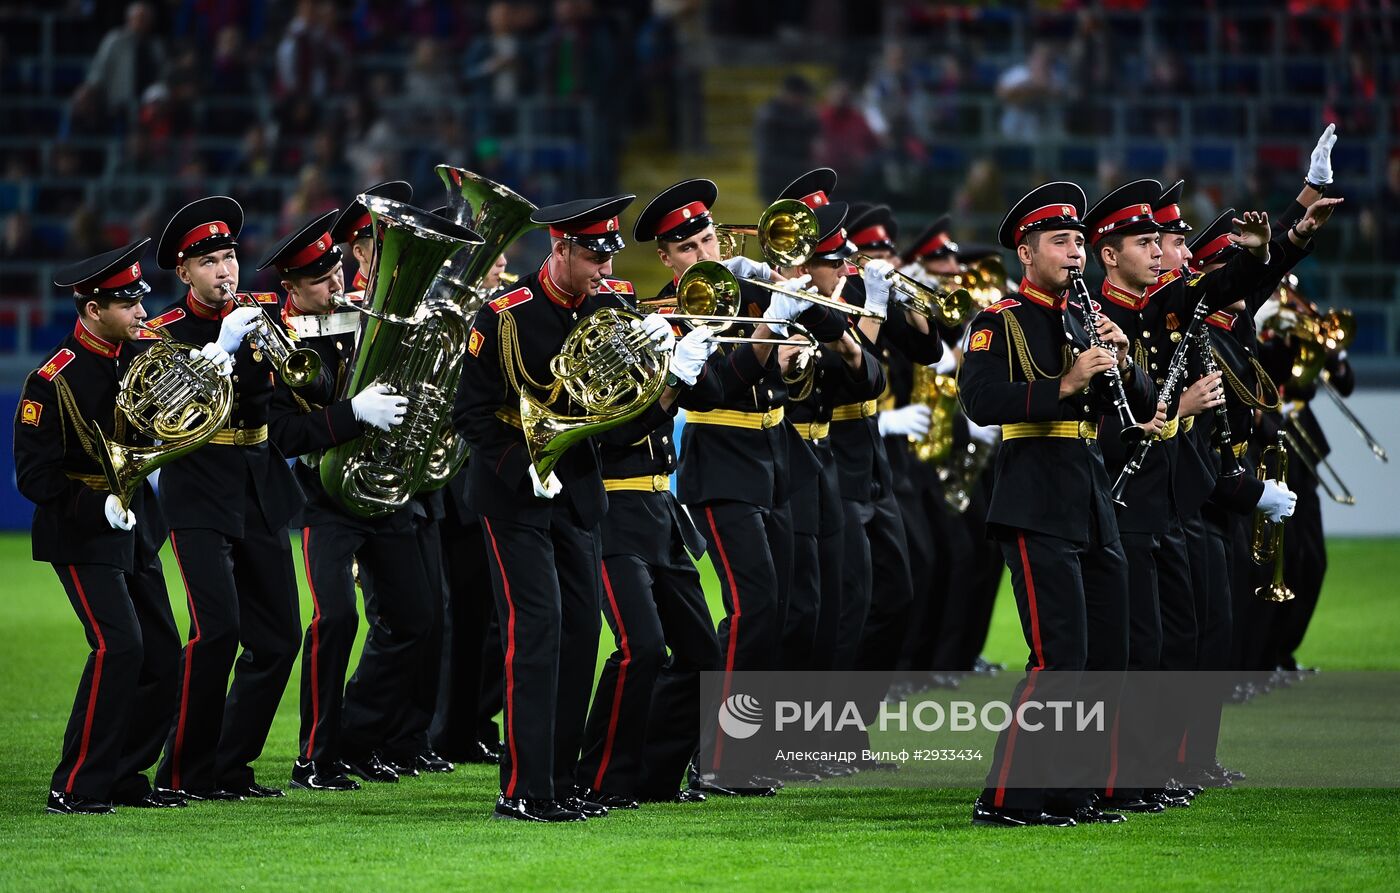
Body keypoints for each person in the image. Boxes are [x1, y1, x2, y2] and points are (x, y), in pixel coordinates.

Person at [453, 194, 681, 822]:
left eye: (609, 257)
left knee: (581, 633)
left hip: (578, 487)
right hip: (511, 493)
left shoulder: (613, 305)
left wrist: (664, 371)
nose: (604, 271)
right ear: (559, 249)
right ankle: (523, 789)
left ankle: (560, 780)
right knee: (537, 629)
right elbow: (469, 414)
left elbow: (617, 418)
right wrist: (523, 465)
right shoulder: (504, 315)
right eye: (592, 257)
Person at [959, 181, 1156, 827]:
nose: (1076, 253)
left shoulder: (1082, 317)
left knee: (1105, 654)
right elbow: (981, 401)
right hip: (1033, 493)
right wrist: (1065, 380)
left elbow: (1109, 412)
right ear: (1026, 251)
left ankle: (1073, 790)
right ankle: (1008, 794)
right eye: (1061, 241)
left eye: (1078, 241)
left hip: (1088, 492)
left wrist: (1120, 365)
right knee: (1058, 655)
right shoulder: (999, 320)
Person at [15, 239, 230, 814]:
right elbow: (34, 477)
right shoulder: (52, 380)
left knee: (161, 651)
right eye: (128, 304)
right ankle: (76, 783)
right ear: (93, 311)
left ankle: (126, 776)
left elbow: (178, 410)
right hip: (81, 531)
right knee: (119, 645)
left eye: (141, 299)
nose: (142, 312)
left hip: (135, 527)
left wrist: (211, 366)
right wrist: (95, 506)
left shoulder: (142, 352)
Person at [261, 208, 451, 790]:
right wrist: (350, 416)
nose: (337, 283)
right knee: (336, 618)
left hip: (387, 492)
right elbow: (282, 435)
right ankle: (313, 756)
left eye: (338, 270)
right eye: (320, 279)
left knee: (417, 618)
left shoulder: (366, 319)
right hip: (326, 499)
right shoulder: (277, 340)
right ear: (290, 288)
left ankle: (359, 739)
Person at [574, 178, 730, 807]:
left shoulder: (645, 327)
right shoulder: (593, 351)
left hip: (660, 509)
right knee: (640, 648)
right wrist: (668, 377)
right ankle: (599, 779)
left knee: (700, 654)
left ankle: (654, 779)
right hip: (611, 507)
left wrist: (688, 361)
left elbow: (711, 394)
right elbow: (614, 430)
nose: (615, 306)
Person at [146, 196, 304, 801]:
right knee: (216, 632)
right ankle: (183, 771)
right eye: (209, 261)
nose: (225, 271)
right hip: (197, 487)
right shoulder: (162, 334)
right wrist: (221, 352)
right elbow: (165, 415)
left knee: (280, 639)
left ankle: (231, 766)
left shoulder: (263, 312)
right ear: (183, 273)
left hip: (259, 487)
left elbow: (304, 381)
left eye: (230, 257)